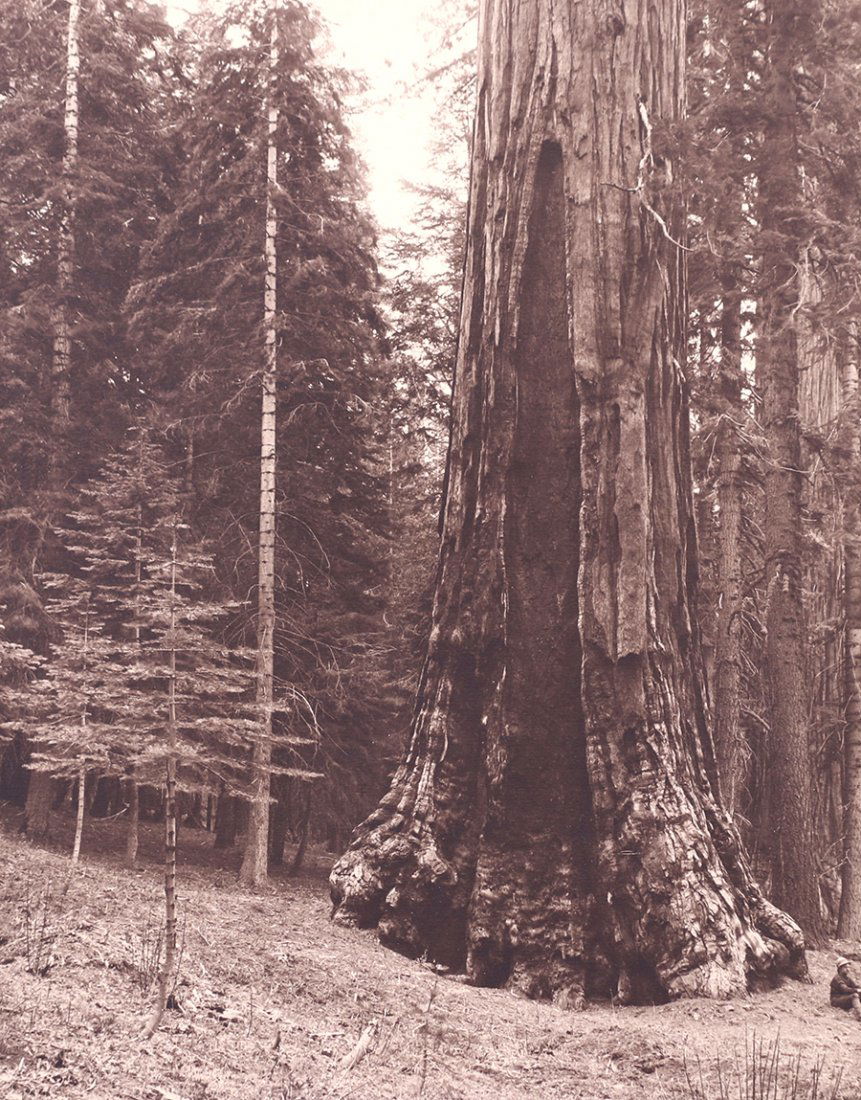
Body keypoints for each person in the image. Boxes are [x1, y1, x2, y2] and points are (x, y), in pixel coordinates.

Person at [830, 956, 861, 1020]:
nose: (848, 969)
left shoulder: (847, 978)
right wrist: (857, 990)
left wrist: (859, 989)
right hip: (836, 1000)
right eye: (845, 967)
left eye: (848, 967)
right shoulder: (837, 978)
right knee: (854, 995)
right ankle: (860, 1015)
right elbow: (845, 989)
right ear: (840, 968)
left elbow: (856, 986)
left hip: (844, 998)